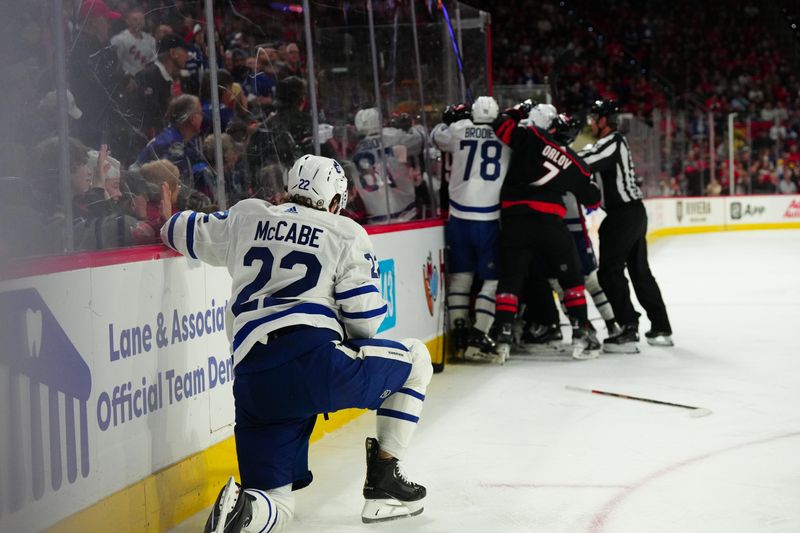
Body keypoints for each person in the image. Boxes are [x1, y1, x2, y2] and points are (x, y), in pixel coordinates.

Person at [161, 155, 432, 531]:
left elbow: (179, 230)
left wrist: (163, 213)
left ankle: (242, 510)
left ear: (289, 189)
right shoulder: (344, 231)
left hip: (253, 379)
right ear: (336, 201)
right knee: (417, 360)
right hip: (314, 363)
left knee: (276, 501)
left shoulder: (247, 216)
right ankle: (384, 484)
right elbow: (366, 323)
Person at [490, 101, 602, 360]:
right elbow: (593, 199)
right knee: (572, 278)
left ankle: (503, 335)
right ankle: (580, 333)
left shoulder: (528, 136)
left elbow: (501, 124)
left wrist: (517, 110)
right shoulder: (572, 160)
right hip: (550, 224)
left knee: (511, 279)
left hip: (515, 221)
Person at [578, 100, 673, 352]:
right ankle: (661, 327)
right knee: (640, 271)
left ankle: (628, 328)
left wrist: (557, 153)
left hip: (624, 215)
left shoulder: (613, 142)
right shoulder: (610, 142)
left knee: (609, 272)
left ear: (603, 120)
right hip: (632, 213)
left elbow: (586, 161)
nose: (591, 123)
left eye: (594, 118)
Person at [521, 113, 619, 351]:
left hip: (556, 229)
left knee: (561, 283)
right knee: (585, 281)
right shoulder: (574, 160)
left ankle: (586, 326)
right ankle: (606, 325)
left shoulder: (541, 154)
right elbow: (593, 200)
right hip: (571, 230)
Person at [431, 97, 510, 363]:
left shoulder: (460, 128)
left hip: (459, 218)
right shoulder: (505, 133)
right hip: (489, 218)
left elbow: (435, 136)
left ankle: (460, 333)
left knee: (461, 279)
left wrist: (454, 116)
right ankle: (480, 333)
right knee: (492, 280)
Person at [352, 107, 424, 223]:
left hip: (376, 215)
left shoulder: (355, 148)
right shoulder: (391, 135)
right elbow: (419, 141)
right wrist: (415, 128)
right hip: (405, 210)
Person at [133, 94, 206, 183]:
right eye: (201, 113)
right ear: (192, 119)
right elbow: (170, 182)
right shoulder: (172, 144)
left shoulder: (183, 139)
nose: (203, 117)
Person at [134, 33, 190, 137]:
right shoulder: (149, 76)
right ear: (173, 53)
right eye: (185, 51)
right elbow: (148, 117)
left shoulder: (166, 78)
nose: (188, 56)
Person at [110, 6, 157, 76]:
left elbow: (153, 61)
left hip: (147, 79)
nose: (139, 22)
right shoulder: (119, 40)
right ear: (127, 21)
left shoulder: (150, 39)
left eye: (141, 19)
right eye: (135, 20)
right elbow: (115, 64)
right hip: (129, 80)